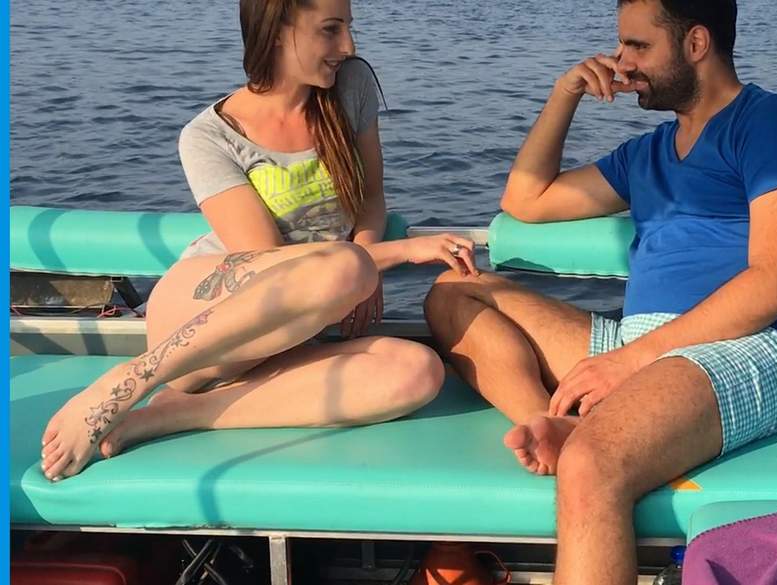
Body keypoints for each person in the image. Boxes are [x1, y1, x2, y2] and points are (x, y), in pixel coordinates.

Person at [424, 1, 777, 583]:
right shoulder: (649, 152)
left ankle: (583, 442)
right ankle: (555, 424)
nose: (621, 62)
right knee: (453, 293)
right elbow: (525, 200)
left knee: (592, 466)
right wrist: (564, 94)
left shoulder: (768, 122)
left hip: (749, 344)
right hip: (642, 343)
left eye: (638, 46)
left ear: (695, 44)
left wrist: (629, 362)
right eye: (620, 46)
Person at [40, 0, 480, 482]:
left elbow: (371, 198)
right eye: (330, 30)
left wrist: (365, 262)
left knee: (417, 371)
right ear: (277, 31)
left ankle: (176, 413)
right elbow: (273, 260)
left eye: (349, 28)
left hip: (293, 328)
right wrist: (385, 256)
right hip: (203, 320)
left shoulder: (349, 87)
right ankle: (126, 383)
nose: (348, 46)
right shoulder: (209, 136)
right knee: (346, 267)